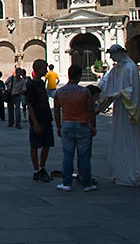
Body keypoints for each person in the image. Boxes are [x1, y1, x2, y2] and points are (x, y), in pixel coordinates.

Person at [97, 44, 140, 186]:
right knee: (120, 137)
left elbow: (133, 89)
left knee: (129, 137)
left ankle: (133, 172)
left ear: (119, 53)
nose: (110, 57)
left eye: (112, 54)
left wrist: (117, 94)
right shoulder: (118, 68)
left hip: (128, 109)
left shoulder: (130, 67)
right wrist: (96, 92)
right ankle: (121, 171)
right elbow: (106, 82)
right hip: (120, 108)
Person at [54, 64, 97, 192]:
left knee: (68, 155)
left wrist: (58, 126)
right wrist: (93, 126)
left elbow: (56, 111)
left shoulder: (59, 92)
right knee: (84, 155)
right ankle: (87, 183)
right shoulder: (84, 92)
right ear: (79, 76)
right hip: (82, 124)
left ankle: (66, 183)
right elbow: (90, 110)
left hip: (66, 124)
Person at [26, 59, 54, 182]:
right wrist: (35, 123)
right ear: (37, 69)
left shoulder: (42, 83)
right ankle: (36, 169)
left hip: (46, 117)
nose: (46, 70)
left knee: (46, 144)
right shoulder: (30, 85)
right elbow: (30, 105)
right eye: (44, 68)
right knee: (35, 145)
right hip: (37, 119)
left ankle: (42, 167)